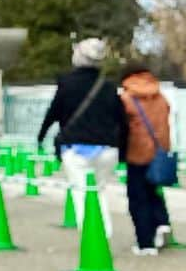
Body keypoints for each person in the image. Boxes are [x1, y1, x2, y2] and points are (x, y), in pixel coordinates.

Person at [37, 38, 126, 234]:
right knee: (100, 190)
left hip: (75, 148)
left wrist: (41, 137)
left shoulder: (67, 83)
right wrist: (124, 149)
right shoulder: (109, 86)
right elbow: (122, 119)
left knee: (80, 191)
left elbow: (53, 113)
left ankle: (90, 239)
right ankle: (105, 234)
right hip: (107, 150)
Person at [119, 64, 174, 254]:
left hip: (136, 153)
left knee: (137, 198)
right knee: (154, 192)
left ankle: (145, 244)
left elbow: (122, 126)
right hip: (159, 152)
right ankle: (162, 223)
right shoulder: (160, 97)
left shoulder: (126, 98)